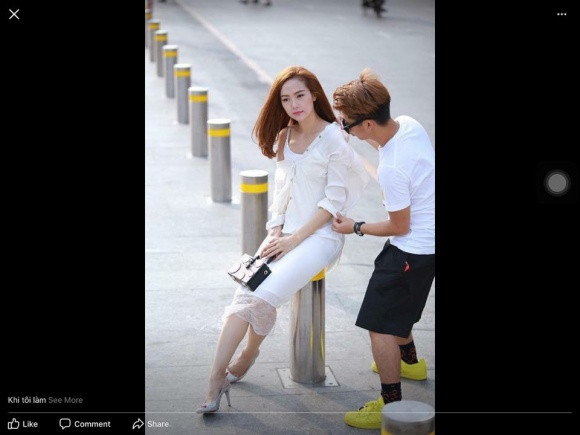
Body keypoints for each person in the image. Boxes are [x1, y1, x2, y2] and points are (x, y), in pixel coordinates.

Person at [196, 66, 370, 413]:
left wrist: (293, 240)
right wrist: (275, 231)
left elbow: (332, 202)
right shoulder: (284, 137)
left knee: (260, 294)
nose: (294, 104)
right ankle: (219, 376)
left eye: (300, 95)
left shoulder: (334, 138)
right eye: (286, 99)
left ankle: (240, 360)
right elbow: (281, 195)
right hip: (285, 233)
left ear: (314, 95)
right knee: (245, 292)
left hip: (320, 237)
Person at [331, 68, 435, 430]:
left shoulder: (392, 167)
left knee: (378, 325)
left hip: (410, 250)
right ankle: (411, 364)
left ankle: (390, 408)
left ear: (367, 125)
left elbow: (398, 226)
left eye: (346, 124)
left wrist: (355, 226)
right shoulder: (409, 125)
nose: (345, 130)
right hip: (425, 246)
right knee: (398, 312)